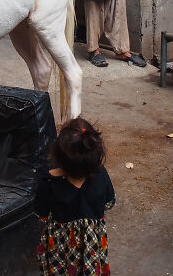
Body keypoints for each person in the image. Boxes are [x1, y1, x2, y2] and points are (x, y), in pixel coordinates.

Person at [34, 117, 115, 276]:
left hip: (61, 251)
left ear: (58, 155)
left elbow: (41, 215)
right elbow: (109, 203)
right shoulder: (101, 175)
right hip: (92, 249)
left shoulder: (49, 181)